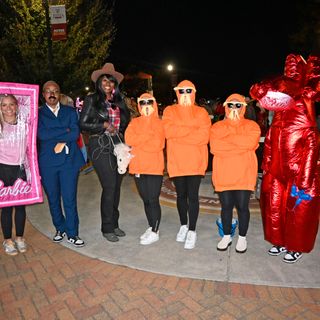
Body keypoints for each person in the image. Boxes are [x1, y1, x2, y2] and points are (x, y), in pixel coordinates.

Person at [250, 53, 320, 263]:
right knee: (274, 206)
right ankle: (279, 241)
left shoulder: (304, 109)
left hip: (298, 174)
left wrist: (305, 179)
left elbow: (311, 146)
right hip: (278, 171)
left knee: (298, 211)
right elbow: (271, 141)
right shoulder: (279, 117)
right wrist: (267, 167)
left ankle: (296, 246)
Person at [79, 63, 131, 242]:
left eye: (111, 80)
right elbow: (82, 123)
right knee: (109, 186)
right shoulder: (92, 99)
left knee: (116, 187)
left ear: (115, 84)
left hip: (118, 147)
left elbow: (125, 124)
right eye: (104, 80)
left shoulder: (120, 101)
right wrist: (103, 124)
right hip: (100, 145)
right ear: (99, 82)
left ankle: (114, 224)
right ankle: (107, 227)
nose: (107, 83)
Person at [162, 80, 211, 249]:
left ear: (194, 92)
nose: (185, 93)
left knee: (193, 196)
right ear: (177, 93)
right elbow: (168, 131)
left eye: (188, 90)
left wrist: (180, 133)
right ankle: (184, 225)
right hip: (177, 161)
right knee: (181, 196)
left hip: (196, 162)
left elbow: (204, 137)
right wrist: (192, 130)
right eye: (181, 91)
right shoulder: (170, 110)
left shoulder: (201, 112)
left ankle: (192, 230)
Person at [209, 93, 261, 253]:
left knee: (242, 207)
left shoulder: (252, 126)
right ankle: (226, 236)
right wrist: (239, 142)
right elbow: (215, 148)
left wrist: (228, 140)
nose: (234, 108)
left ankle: (242, 238)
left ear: (244, 107)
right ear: (225, 107)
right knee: (226, 207)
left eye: (238, 105)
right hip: (224, 173)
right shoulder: (217, 127)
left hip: (245, 173)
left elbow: (250, 143)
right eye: (230, 104)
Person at [37, 81, 85, 247]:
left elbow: (76, 133)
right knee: (53, 198)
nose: (52, 94)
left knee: (70, 199)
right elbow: (42, 134)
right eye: (48, 91)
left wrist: (60, 137)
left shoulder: (70, 112)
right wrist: (65, 131)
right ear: (43, 95)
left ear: (59, 94)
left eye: (55, 91)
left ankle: (72, 232)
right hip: (48, 163)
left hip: (69, 161)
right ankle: (60, 228)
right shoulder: (38, 114)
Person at [125, 93, 165, 245]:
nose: (146, 105)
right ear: (139, 105)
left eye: (149, 102)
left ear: (153, 104)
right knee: (146, 200)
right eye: (143, 102)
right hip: (138, 167)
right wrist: (148, 136)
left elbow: (158, 145)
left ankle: (155, 231)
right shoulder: (134, 122)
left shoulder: (159, 123)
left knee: (153, 199)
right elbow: (129, 139)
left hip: (154, 167)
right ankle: (151, 226)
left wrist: (140, 140)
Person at [0, 94, 28, 255]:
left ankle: (19, 237)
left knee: (20, 206)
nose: (8, 108)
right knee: (6, 207)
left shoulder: (24, 125)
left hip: (20, 169)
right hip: (3, 169)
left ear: (17, 106)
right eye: (4, 105)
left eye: (11, 104)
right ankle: (8, 239)